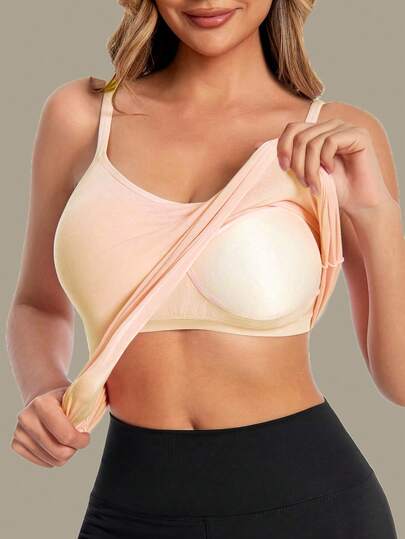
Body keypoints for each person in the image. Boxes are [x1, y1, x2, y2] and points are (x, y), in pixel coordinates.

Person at [6, 1, 403, 537]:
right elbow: (37, 303)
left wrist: (377, 213)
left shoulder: (335, 136)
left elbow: (400, 382)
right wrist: (42, 389)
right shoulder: (80, 116)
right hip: (130, 505)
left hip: (310, 505)